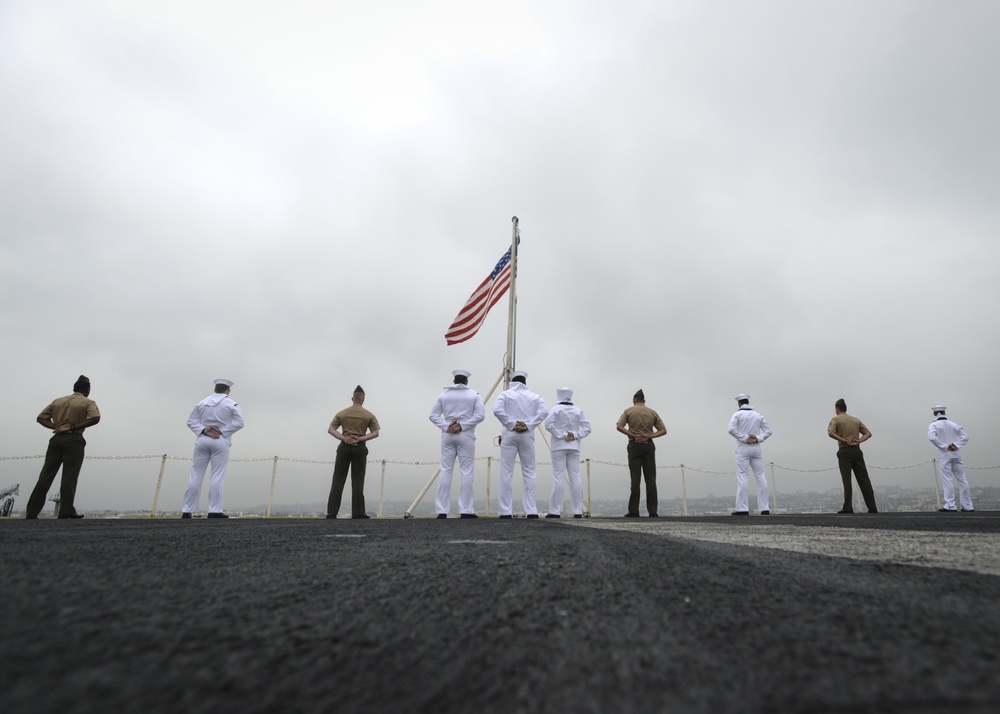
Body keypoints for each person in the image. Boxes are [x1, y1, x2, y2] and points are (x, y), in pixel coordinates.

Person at [26, 375, 101, 519]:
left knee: (45, 475)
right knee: (69, 477)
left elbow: (40, 418)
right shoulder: (87, 402)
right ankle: (66, 511)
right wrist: (73, 426)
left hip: (56, 439)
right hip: (74, 439)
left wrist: (56, 426)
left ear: (74, 388)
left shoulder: (58, 401)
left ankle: (31, 512)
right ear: (87, 389)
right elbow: (95, 418)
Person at [182, 379, 245, 519]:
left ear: (215, 389)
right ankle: (214, 510)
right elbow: (240, 422)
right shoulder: (231, 403)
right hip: (220, 440)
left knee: (195, 475)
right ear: (228, 390)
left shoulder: (202, 402)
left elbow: (190, 421)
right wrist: (222, 431)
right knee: (217, 475)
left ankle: (187, 510)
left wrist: (204, 430)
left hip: (202, 439)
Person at [429, 369, 486, 519]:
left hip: (447, 435)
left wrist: (447, 426)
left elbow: (433, 415)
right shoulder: (474, 395)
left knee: (446, 471)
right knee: (466, 472)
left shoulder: (444, 394)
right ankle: (466, 510)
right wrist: (462, 425)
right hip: (466, 435)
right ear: (467, 382)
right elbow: (480, 415)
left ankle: (442, 510)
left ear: (454, 381)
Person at [493, 371, 548, 519]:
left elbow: (496, 410)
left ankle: (505, 511)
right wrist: (528, 425)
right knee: (529, 472)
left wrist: (512, 424)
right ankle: (530, 510)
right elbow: (544, 412)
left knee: (506, 472)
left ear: (512, 381)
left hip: (509, 435)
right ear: (524, 382)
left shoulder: (505, 394)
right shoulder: (535, 396)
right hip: (527, 435)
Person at [327, 385, 380, 519]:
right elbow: (375, 433)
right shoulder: (368, 415)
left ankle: (332, 512)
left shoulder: (342, 413)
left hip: (344, 448)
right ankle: (358, 512)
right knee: (357, 481)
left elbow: (331, 430)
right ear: (363, 399)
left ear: (352, 398)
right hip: (360, 448)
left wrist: (345, 438)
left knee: (338, 480)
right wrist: (360, 438)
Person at [616, 389, 667, 517]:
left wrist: (633, 435)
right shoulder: (652, 412)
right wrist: (649, 436)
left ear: (634, 400)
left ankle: (634, 510)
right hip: (648, 445)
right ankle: (653, 510)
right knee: (650, 479)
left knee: (635, 478)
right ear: (644, 401)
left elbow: (619, 426)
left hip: (634, 445)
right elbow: (663, 430)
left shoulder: (629, 411)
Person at [544, 387, 592, 519]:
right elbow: (588, 428)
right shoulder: (578, 410)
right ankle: (577, 511)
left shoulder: (555, 409)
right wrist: (575, 435)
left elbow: (548, 425)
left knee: (558, 477)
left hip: (559, 446)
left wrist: (562, 435)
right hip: (574, 446)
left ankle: (555, 511)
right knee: (575, 477)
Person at [827, 398, 878, 514]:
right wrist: (859, 441)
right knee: (864, 480)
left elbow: (830, 433)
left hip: (844, 451)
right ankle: (872, 507)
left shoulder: (835, 419)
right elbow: (868, 433)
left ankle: (848, 507)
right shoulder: (855, 420)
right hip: (856, 450)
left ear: (837, 409)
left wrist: (844, 440)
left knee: (847, 480)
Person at [728, 394, 772, 516]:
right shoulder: (758, 415)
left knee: (743, 477)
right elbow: (769, 431)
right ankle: (765, 508)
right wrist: (758, 438)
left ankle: (742, 509)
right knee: (760, 477)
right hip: (756, 447)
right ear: (748, 401)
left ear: (739, 404)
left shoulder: (737, 415)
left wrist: (744, 438)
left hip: (743, 447)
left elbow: (731, 429)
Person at [928, 406, 973, 513]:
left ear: (934, 414)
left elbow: (931, 437)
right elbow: (965, 437)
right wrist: (956, 445)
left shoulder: (934, 425)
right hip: (956, 454)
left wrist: (944, 446)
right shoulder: (954, 424)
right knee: (962, 479)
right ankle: (968, 506)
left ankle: (950, 505)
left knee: (947, 480)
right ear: (944, 412)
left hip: (944, 455)